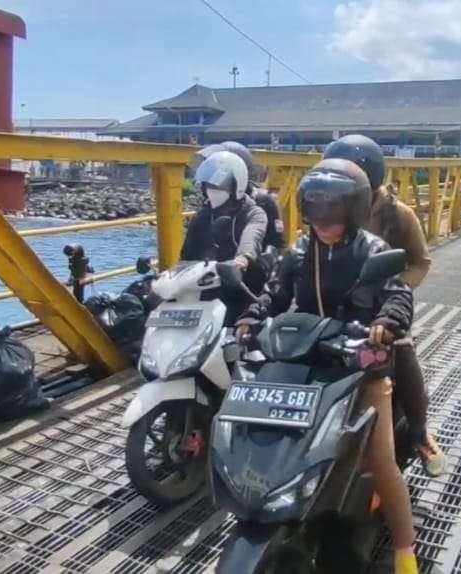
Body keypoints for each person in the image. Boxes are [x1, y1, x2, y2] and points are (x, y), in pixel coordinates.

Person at [236, 158, 421, 574]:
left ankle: (405, 550)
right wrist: (252, 316)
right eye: (314, 205)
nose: (322, 217)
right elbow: (276, 294)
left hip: (359, 366)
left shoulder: (372, 250)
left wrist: (385, 322)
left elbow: (398, 294)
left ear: (353, 209)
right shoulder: (300, 251)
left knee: (381, 458)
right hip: (305, 362)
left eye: (332, 207)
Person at [323, 134, 445, 477]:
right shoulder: (330, 208)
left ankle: (420, 431)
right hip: (334, 308)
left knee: (403, 352)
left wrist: (393, 297)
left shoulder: (398, 215)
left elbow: (419, 262)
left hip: (381, 310)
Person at [179, 150, 268, 324]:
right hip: (207, 285)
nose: (212, 192)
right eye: (208, 186)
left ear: (237, 186)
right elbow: (186, 255)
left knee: (238, 337)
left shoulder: (254, 213)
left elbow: (252, 236)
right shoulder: (203, 216)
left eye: (218, 187)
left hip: (244, 287)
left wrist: (243, 258)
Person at [189, 142, 285, 250]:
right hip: (214, 265)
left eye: (221, 171)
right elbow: (189, 253)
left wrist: (254, 260)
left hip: (250, 263)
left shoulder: (263, 201)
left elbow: (276, 245)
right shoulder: (209, 207)